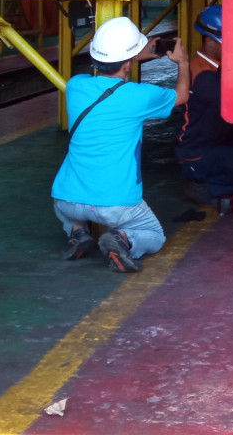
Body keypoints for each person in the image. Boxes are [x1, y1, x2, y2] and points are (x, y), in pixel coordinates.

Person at [52, 16, 190, 273]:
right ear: (128, 63)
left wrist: (131, 56)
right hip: (115, 205)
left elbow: (108, 69)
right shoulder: (140, 96)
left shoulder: (75, 86)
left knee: (69, 207)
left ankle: (78, 232)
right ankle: (121, 239)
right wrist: (182, 62)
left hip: (66, 200)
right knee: (154, 234)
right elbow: (181, 96)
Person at [175, 5, 233, 211]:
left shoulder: (215, 67)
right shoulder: (204, 76)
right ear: (209, 43)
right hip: (197, 154)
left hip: (217, 138)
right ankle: (205, 187)